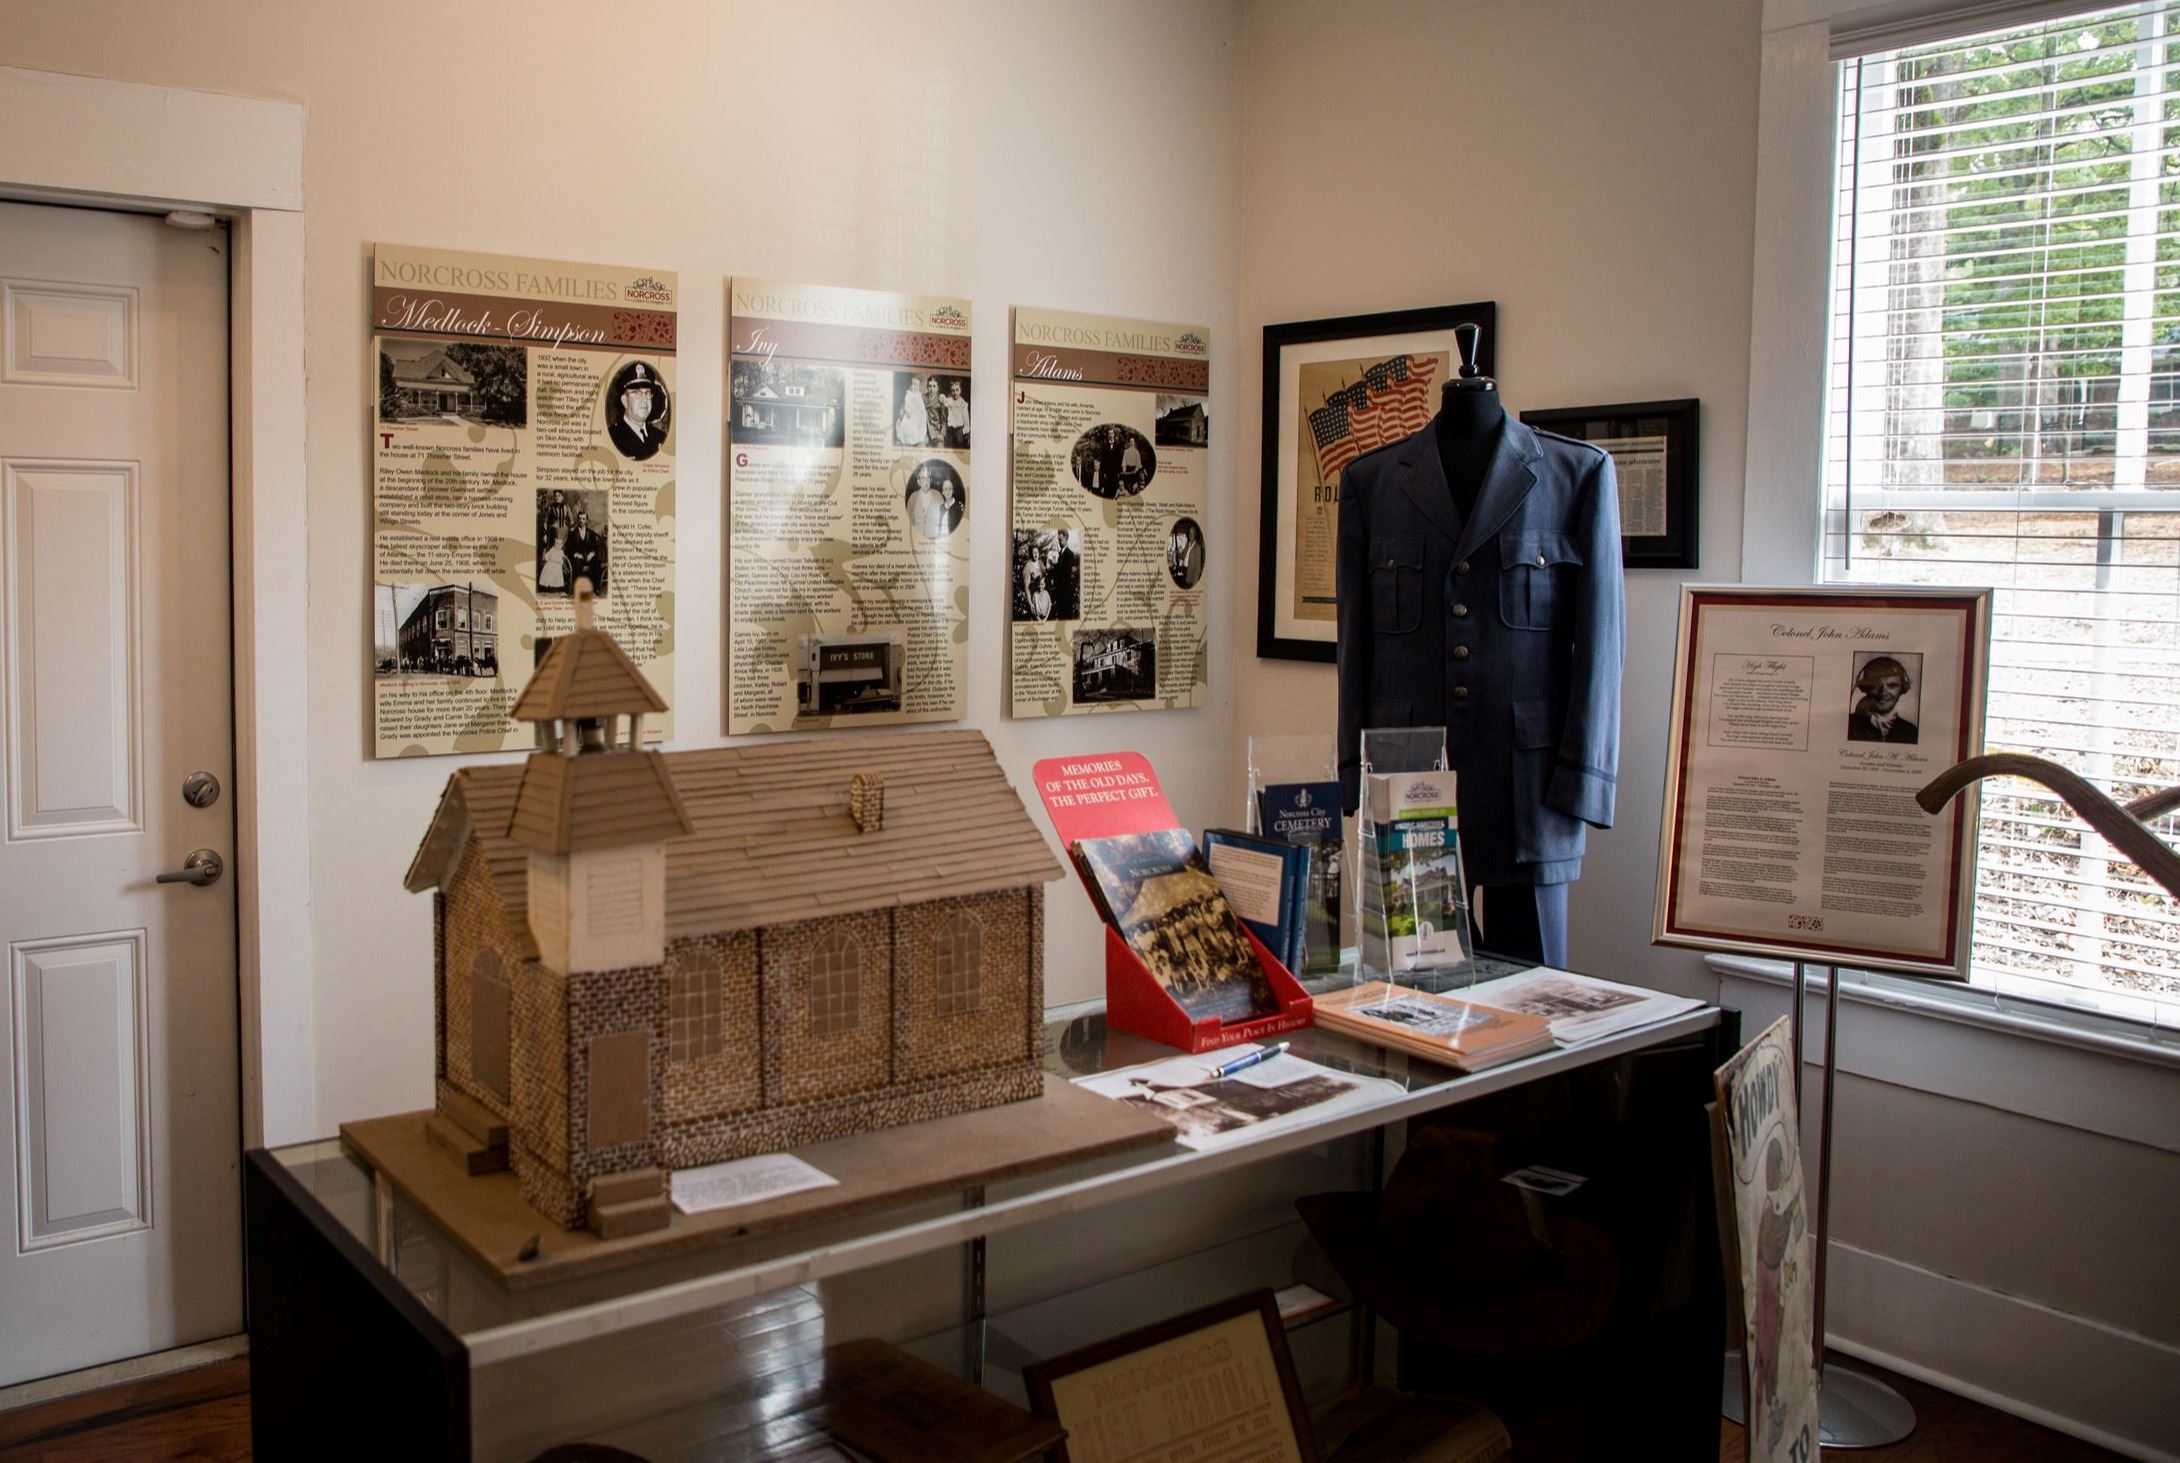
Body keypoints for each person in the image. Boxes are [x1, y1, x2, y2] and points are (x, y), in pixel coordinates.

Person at [607, 361, 668, 462]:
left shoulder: (661, 437)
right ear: (625, 400)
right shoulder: (613, 438)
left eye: (647, 393)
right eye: (637, 393)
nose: (644, 399)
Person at [1848, 656, 1918, 743]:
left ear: (1903, 688)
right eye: (1875, 685)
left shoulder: (1911, 731)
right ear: (1865, 688)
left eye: (1892, 685)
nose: (1883, 692)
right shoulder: (1848, 725)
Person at [565, 510, 607, 594]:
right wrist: (576, 554)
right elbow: (569, 548)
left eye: (583, 519)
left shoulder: (591, 533)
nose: (581, 521)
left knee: (596, 560)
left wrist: (592, 554)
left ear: (586, 520)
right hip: (578, 557)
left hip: (588, 556)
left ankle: (596, 587)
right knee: (577, 563)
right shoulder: (573, 533)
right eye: (580, 519)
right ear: (578, 520)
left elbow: (595, 547)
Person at [907, 464, 946, 538]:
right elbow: (908, 523)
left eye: (928, 478)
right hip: (916, 540)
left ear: (931, 480)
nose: (926, 481)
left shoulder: (938, 496)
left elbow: (944, 520)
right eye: (923, 478)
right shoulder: (913, 498)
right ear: (919, 481)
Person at [896, 376, 928, 447]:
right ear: (910, 385)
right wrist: (909, 412)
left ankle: (918, 438)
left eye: (917, 385)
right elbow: (907, 405)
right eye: (913, 384)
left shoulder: (919, 395)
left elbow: (921, 406)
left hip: (919, 416)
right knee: (909, 428)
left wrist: (921, 412)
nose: (915, 387)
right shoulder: (909, 395)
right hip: (910, 416)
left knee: (920, 429)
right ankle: (908, 440)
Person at [539, 527, 569, 594]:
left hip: (557, 565)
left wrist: (562, 559)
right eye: (556, 544)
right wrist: (547, 558)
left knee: (557, 573)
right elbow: (547, 556)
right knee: (548, 572)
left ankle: (555, 587)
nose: (558, 546)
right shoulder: (552, 549)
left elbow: (563, 557)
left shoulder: (561, 551)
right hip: (551, 563)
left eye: (559, 545)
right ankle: (547, 586)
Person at [944, 379, 971, 448]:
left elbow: (966, 419)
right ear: (951, 391)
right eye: (953, 390)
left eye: (957, 390)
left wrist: (964, 432)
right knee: (949, 447)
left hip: (959, 430)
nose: (955, 393)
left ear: (960, 391)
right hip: (950, 429)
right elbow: (942, 400)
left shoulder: (963, 404)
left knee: (959, 447)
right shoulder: (948, 400)